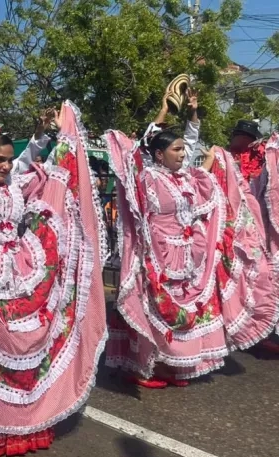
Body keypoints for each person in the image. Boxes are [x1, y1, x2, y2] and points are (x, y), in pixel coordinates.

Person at [0, 96, 108, 457]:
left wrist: (47, 137)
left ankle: (23, 423)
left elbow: (38, 170)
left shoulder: (14, 183)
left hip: (23, 269)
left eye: (8, 159)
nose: (6, 165)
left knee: (26, 348)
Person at [105, 90, 278, 388]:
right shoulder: (148, 178)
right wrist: (163, 111)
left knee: (181, 313)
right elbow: (137, 153)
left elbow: (193, 146)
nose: (183, 154)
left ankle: (168, 363)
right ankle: (141, 367)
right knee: (151, 310)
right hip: (155, 255)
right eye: (176, 150)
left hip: (186, 256)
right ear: (160, 155)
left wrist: (193, 115)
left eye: (183, 150)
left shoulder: (184, 178)